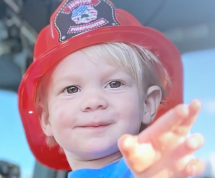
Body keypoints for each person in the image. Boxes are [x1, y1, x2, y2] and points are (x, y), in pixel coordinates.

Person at [18, 0, 205, 177]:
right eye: (71, 89)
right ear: (46, 118)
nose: (93, 102)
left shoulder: (147, 170)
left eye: (114, 84)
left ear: (147, 104)